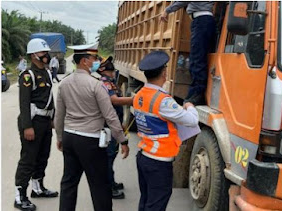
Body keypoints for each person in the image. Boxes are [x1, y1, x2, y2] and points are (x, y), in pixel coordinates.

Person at [54, 43, 130, 211]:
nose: (97, 62)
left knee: (68, 183)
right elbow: (110, 116)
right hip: (90, 141)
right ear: (85, 62)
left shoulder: (65, 84)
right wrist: (122, 140)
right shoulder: (96, 85)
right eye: (94, 58)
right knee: (99, 185)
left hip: (70, 137)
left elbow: (59, 115)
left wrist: (60, 137)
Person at [134, 51, 199, 211]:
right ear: (164, 73)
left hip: (144, 156)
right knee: (156, 204)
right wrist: (190, 106)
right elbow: (192, 120)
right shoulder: (163, 101)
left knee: (146, 200)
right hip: (158, 161)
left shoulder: (140, 94)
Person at [14, 38, 58, 211]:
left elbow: (50, 98)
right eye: (42, 53)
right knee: (28, 159)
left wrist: (52, 118)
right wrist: (27, 126)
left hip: (45, 121)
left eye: (46, 52)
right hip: (32, 121)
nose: (46, 55)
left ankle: (38, 188)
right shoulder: (27, 75)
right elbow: (23, 103)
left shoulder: (46, 73)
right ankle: (20, 196)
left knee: (43, 156)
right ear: (33, 55)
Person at [160, 2, 216, 105]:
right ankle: (199, 92)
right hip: (205, 21)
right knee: (200, 58)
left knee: (196, 60)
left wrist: (167, 10)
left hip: (201, 21)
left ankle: (196, 94)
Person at [98, 56, 134, 199]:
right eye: (110, 68)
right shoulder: (105, 83)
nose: (113, 71)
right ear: (105, 70)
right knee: (108, 156)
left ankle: (111, 182)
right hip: (108, 126)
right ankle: (108, 188)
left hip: (115, 124)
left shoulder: (111, 83)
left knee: (111, 155)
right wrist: (134, 100)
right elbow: (114, 100)